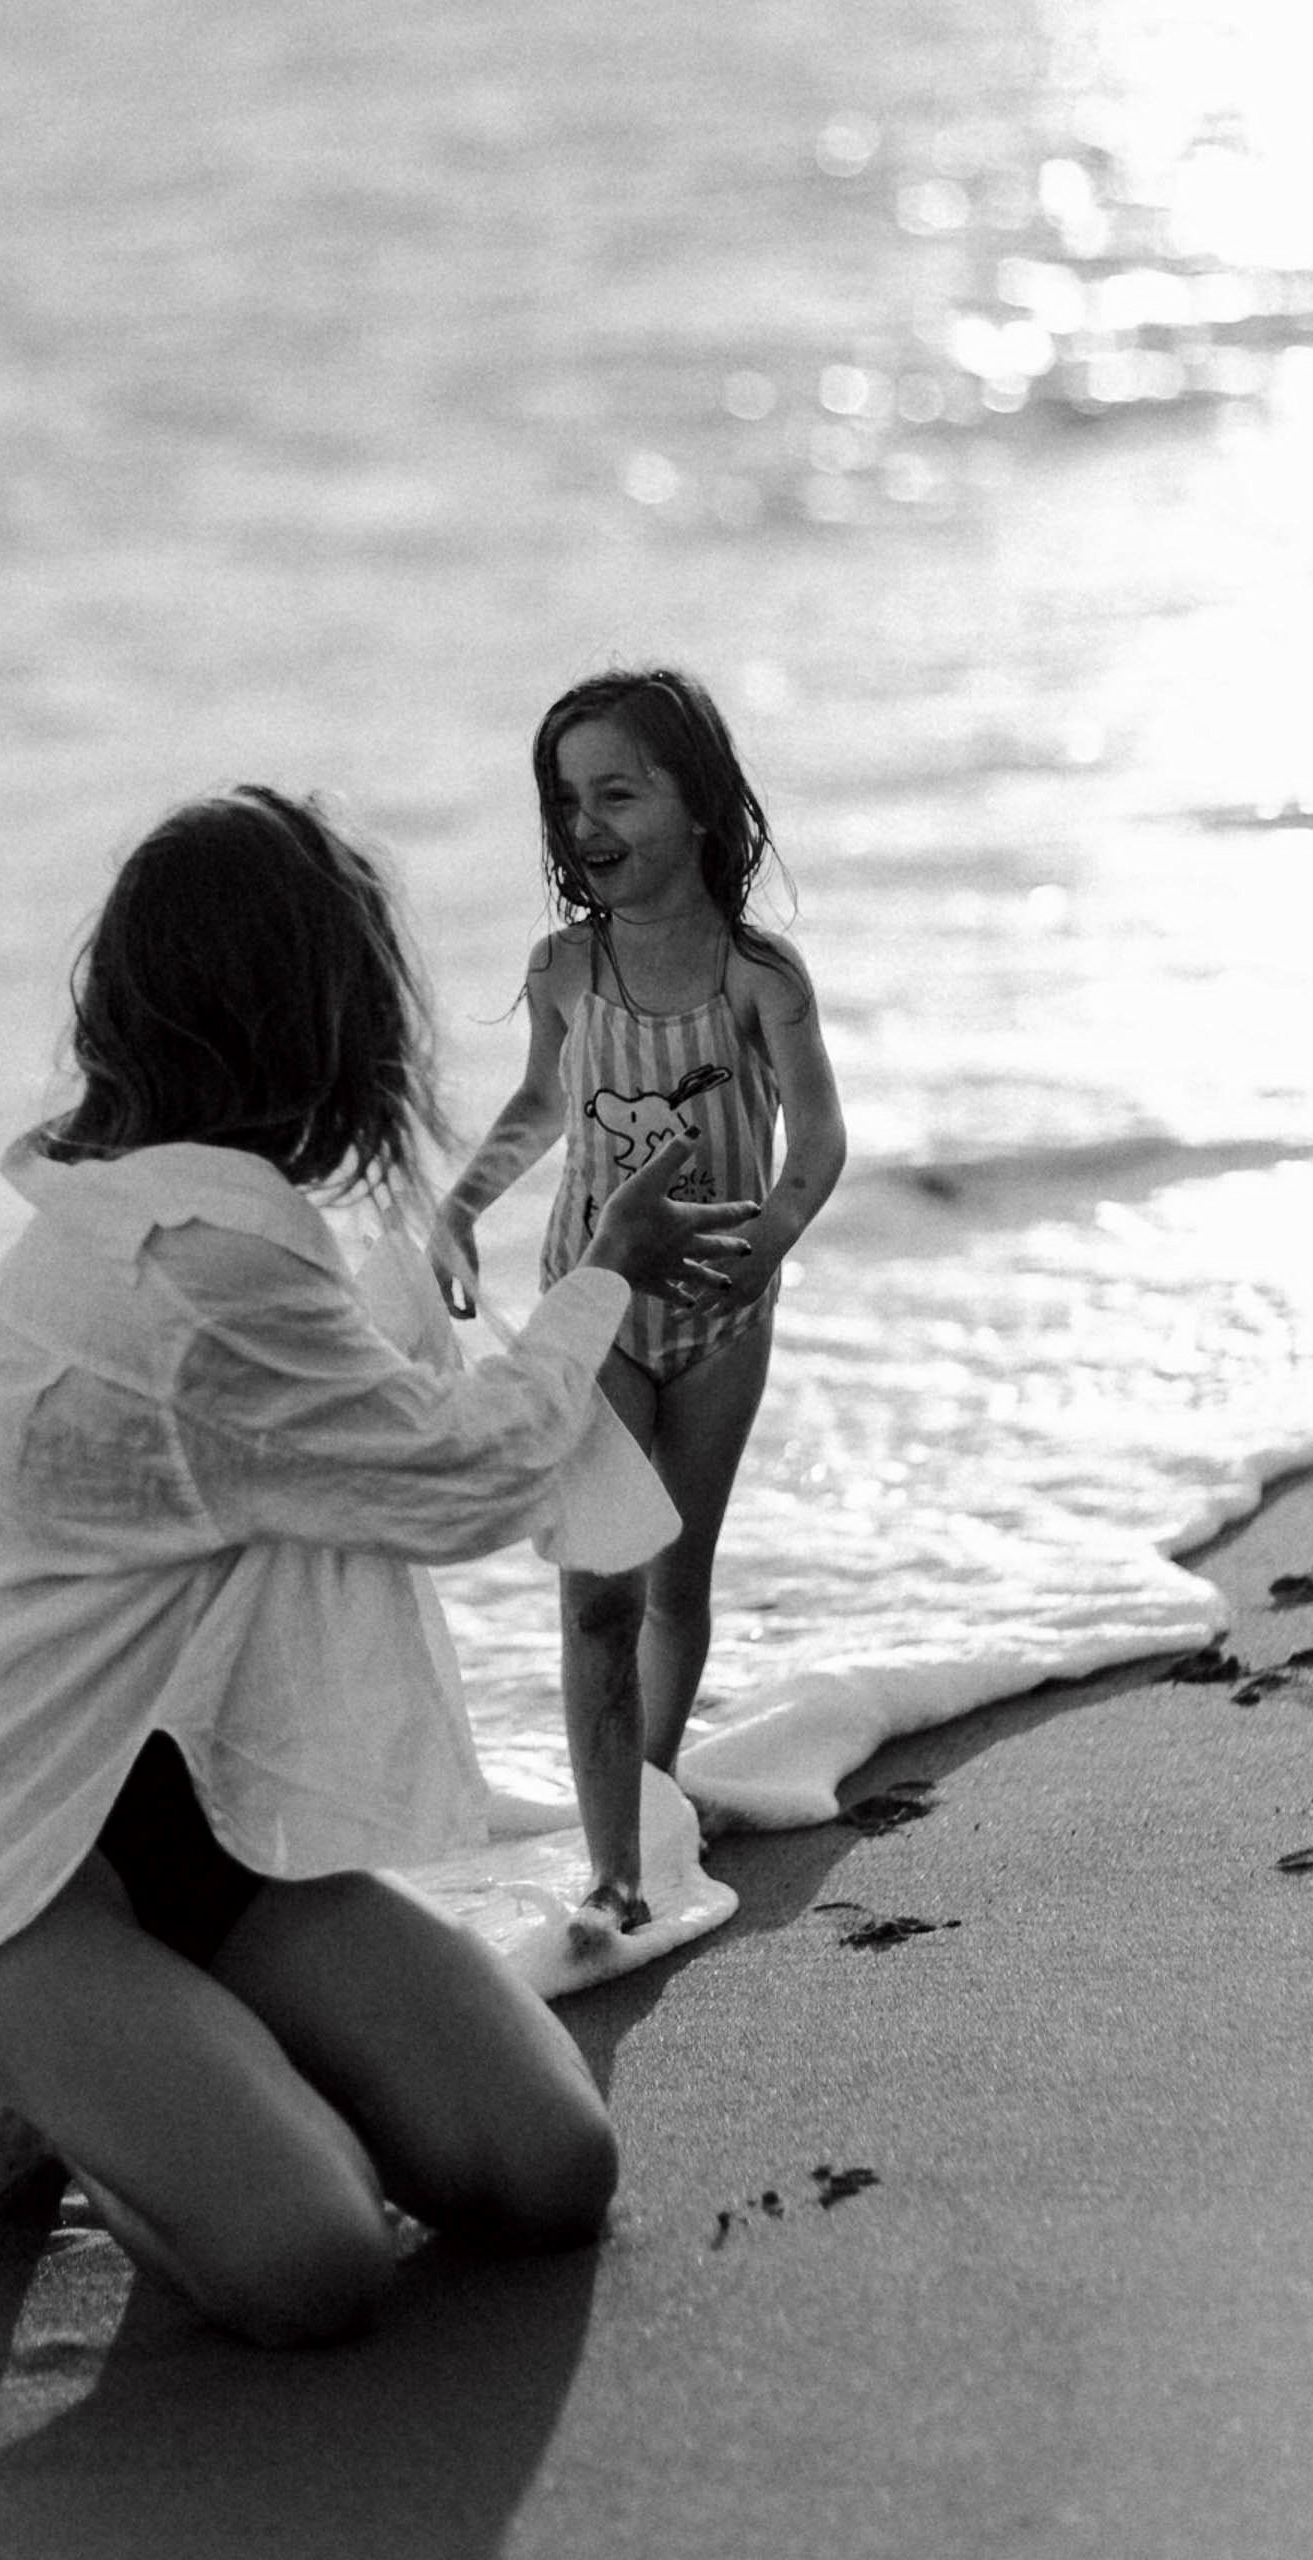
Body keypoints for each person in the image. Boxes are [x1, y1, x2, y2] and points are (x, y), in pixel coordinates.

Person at [0, 785, 756, 2348]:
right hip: (36, 1862)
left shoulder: (189, 1220)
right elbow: (462, 1478)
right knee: (316, 2259)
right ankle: (56, 2089)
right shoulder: (185, 1259)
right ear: (319, 1022)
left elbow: (333, 1408)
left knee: (549, 2170)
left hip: (196, 1824)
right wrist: (607, 1279)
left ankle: (198, 2057)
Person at [428, 669, 846, 1936]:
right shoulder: (565, 968)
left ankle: (653, 1789)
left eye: (616, 790)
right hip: (593, 1305)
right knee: (598, 1584)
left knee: (677, 1576)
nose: (585, 821)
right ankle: (613, 1861)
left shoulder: (756, 976)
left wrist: (771, 1234)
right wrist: (460, 1204)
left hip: (720, 1314)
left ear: (701, 805)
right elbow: (542, 1105)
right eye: (566, 798)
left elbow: (818, 1141)